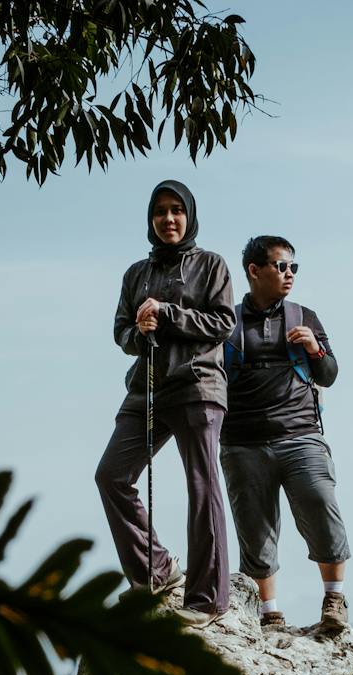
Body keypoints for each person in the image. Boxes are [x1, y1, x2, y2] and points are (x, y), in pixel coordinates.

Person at [94, 180, 236, 627]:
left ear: (189, 215)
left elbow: (223, 323)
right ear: (151, 219)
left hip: (197, 384)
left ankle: (208, 598)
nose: (169, 219)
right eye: (160, 212)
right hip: (148, 388)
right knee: (111, 475)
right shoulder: (136, 273)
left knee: (202, 484)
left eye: (177, 210)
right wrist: (139, 330)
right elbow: (120, 333)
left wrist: (169, 314)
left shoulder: (211, 265)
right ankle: (156, 571)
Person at [219, 235, 350, 635]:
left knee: (320, 503)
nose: (289, 273)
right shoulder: (227, 321)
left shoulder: (304, 316)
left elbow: (329, 374)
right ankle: (269, 613)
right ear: (254, 271)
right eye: (281, 266)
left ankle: (334, 599)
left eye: (293, 267)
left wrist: (315, 348)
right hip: (242, 439)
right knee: (254, 529)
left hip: (301, 433)